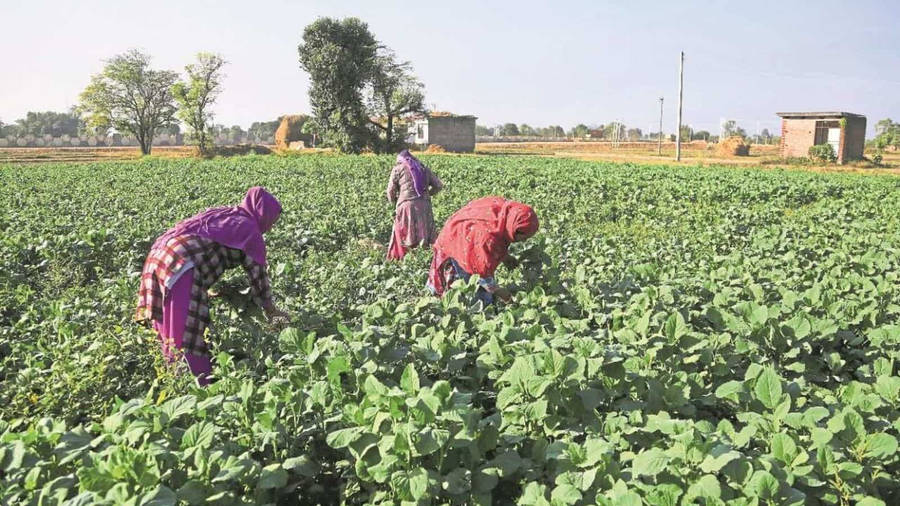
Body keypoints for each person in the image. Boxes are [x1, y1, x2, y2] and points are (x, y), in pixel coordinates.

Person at [135, 187, 289, 385]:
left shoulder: (228, 215)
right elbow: (259, 280)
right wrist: (274, 314)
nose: (271, 227)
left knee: (167, 325)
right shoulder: (250, 230)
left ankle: (171, 379)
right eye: (272, 221)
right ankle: (198, 387)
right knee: (186, 333)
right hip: (181, 264)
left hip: (158, 256)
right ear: (263, 213)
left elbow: (205, 245)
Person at [427, 197, 539, 305]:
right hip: (458, 244)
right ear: (515, 230)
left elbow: (497, 240)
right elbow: (480, 272)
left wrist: (505, 257)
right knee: (472, 296)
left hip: (464, 234)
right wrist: (502, 293)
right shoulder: (487, 238)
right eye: (524, 237)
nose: (524, 241)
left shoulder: (505, 214)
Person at [386, 150, 443, 260]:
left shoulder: (398, 169)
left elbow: (390, 192)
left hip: (406, 206)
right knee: (424, 233)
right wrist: (427, 194)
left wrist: (394, 203)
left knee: (406, 233)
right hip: (424, 205)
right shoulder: (423, 168)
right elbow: (439, 185)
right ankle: (425, 259)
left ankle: (403, 259)